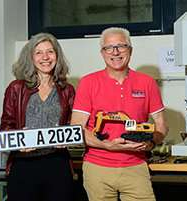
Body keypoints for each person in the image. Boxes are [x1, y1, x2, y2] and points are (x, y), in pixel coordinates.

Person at [70, 27, 168, 201]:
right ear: (102, 52)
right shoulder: (88, 83)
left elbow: (161, 124)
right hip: (97, 167)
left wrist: (151, 142)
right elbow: (76, 128)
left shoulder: (147, 82)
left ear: (130, 50)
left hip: (135, 166)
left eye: (121, 46)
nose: (115, 52)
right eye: (109, 47)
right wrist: (107, 145)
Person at [0, 33, 75, 201]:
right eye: (39, 52)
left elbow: (74, 125)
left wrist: (66, 133)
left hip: (57, 163)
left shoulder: (67, 89)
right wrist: (18, 137)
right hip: (24, 164)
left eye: (50, 51)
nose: (45, 57)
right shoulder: (16, 88)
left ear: (57, 56)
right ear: (31, 58)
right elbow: (5, 126)